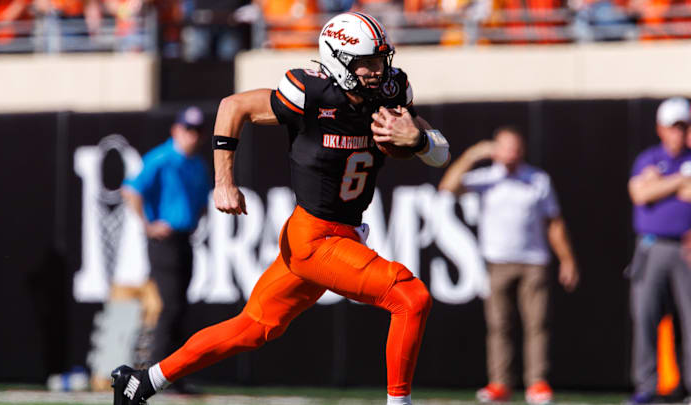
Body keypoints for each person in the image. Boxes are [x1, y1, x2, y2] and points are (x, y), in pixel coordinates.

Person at [111, 12, 450, 405]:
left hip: (342, 233)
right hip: (314, 238)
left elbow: (440, 154)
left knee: (252, 327)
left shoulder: (391, 91)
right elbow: (232, 106)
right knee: (411, 297)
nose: (377, 71)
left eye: (379, 61)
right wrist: (225, 182)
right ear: (338, 61)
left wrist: (419, 140)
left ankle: (143, 382)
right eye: (366, 63)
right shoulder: (311, 93)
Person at [438, 126, 578, 405]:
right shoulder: (487, 178)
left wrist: (567, 259)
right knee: (499, 325)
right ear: (495, 149)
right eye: (505, 147)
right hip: (497, 262)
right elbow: (447, 187)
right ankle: (500, 383)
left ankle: (537, 383)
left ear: (522, 150)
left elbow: (554, 223)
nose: (511, 153)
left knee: (536, 324)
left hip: (533, 261)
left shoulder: (537, 179)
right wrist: (473, 154)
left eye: (515, 147)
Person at [120, 106, 212, 393]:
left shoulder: (196, 164)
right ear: (176, 130)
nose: (192, 137)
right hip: (164, 242)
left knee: (180, 307)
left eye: (197, 132)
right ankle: (158, 374)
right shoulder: (162, 158)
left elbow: (201, 198)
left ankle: (173, 374)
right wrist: (148, 225)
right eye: (188, 130)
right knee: (171, 306)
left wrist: (197, 219)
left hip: (185, 239)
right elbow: (131, 189)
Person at [626, 97, 691, 405]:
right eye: (673, 126)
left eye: (683, 126)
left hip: (686, 248)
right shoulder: (648, 158)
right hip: (652, 248)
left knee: (690, 320)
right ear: (660, 129)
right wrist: (678, 181)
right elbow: (640, 193)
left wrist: (661, 184)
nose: (679, 132)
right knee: (646, 316)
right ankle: (646, 387)